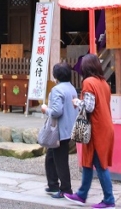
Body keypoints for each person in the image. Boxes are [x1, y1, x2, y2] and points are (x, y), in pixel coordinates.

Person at [64, 54, 115, 208]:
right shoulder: (104, 83)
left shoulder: (88, 83)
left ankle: (109, 199)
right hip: (105, 127)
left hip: (96, 129)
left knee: (100, 165)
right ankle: (81, 194)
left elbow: (89, 107)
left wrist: (76, 101)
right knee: (88, 162)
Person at [41, 62, 78, 199]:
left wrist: (45, 110)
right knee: (51, 155)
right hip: (69, 127)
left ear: (55, 75)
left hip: (60, 130)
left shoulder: (57, 90)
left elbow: (56, 112)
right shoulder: (72, 88)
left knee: (60, 160)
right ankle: (52, 184)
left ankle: (66, 189)